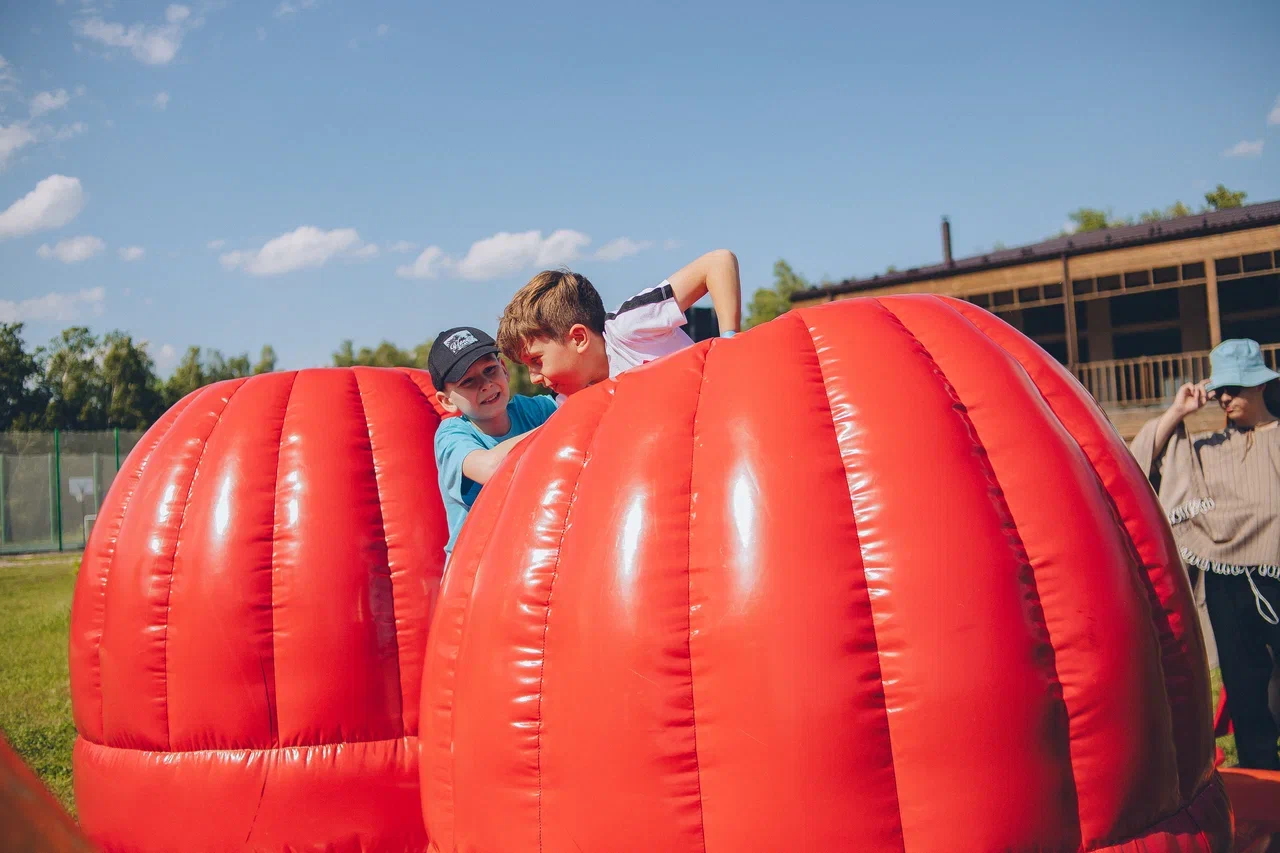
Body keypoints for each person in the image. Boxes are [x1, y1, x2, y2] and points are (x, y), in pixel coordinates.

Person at [1130, 338, 1280, 769]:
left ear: (1260, 387)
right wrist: (1178, 411)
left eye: (1235, 388)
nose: (1225, 398)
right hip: (1225, 583)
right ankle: (1263, 796)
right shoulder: (1207, 450)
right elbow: (1139, 460)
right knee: (1246, 694)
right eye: (1221, 390)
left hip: (1275, 574)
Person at [495, 249, 742, 401]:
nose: (534, 378)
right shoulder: (569, 397)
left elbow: (718, 262)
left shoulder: (627, 329)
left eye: (536, 361)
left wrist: (729, 343)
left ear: (579, 338)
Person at [428, 326, 557, 556]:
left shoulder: (537, 410)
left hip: (530, 553)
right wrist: (560, 426)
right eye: (468, 382)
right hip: (473, 569)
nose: (486, 384)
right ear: (446, 401)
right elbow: (490, 468)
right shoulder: (453, 435)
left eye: (490, 370)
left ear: (504, 370)